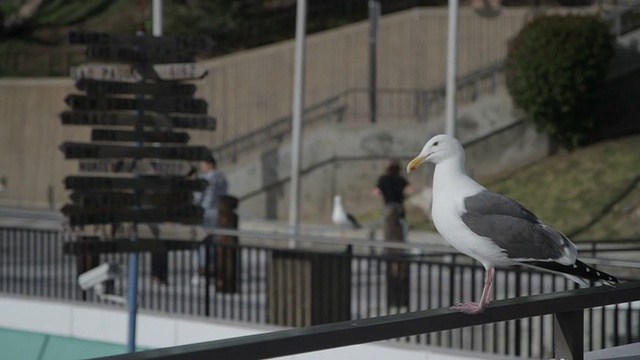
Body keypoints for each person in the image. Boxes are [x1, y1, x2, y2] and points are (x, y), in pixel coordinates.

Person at [192, 155, 228, 285]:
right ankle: (211, 270)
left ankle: (201, 270)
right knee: (213, 243)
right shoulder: (222, 178)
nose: (201, 166)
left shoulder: (205, 178)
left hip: (204, 213)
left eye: (202, 163)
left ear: (208, 164)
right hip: (218, 213)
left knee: (201, 242)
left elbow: (198, 197)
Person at [373, 160, 412, 242]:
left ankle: (389, 246)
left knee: (389, 227)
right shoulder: (401, 179)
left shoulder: (383, 179)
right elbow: (410, 190)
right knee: (400, 226)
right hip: (399, 206)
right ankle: (400, 244)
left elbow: (376, 192)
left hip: (389, 206)